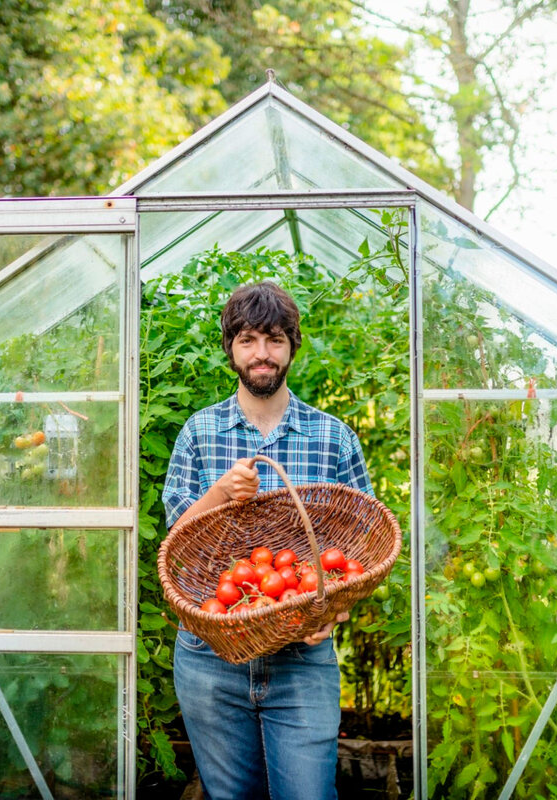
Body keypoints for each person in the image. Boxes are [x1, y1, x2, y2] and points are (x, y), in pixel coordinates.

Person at [162, 280, 373, 800]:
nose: (262, 354)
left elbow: (362, 549)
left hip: (303, 655)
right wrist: (219, 492)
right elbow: (176, 545)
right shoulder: (198, 432)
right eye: (249, 339)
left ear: (293, 346)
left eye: (275, 339)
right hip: (211, 652)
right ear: (231, 348)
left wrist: (334, 612)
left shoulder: (334, 437)